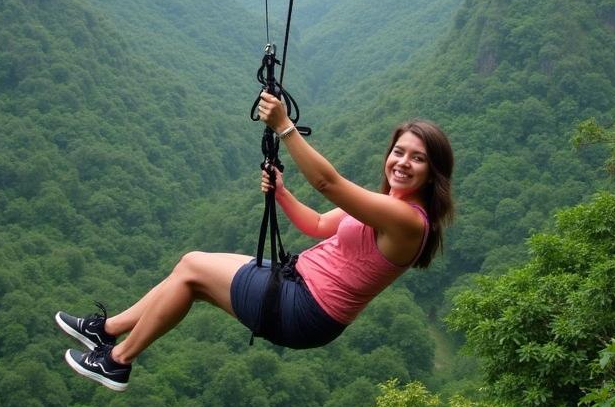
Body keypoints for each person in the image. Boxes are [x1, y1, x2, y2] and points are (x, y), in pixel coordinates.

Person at [56, 90, 454, 391]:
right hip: (297, 288)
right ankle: (107, 332)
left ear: (434, 173)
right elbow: (317, 223)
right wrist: (282, 193)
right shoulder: (386, 205)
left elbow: (327, 183)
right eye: (398, 152)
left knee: (193, 267)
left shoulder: (408, 221)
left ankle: (118, 360)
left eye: (417, 158)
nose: (402, 163)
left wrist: (285, 127)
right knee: (188, 273)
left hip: (306, 308)